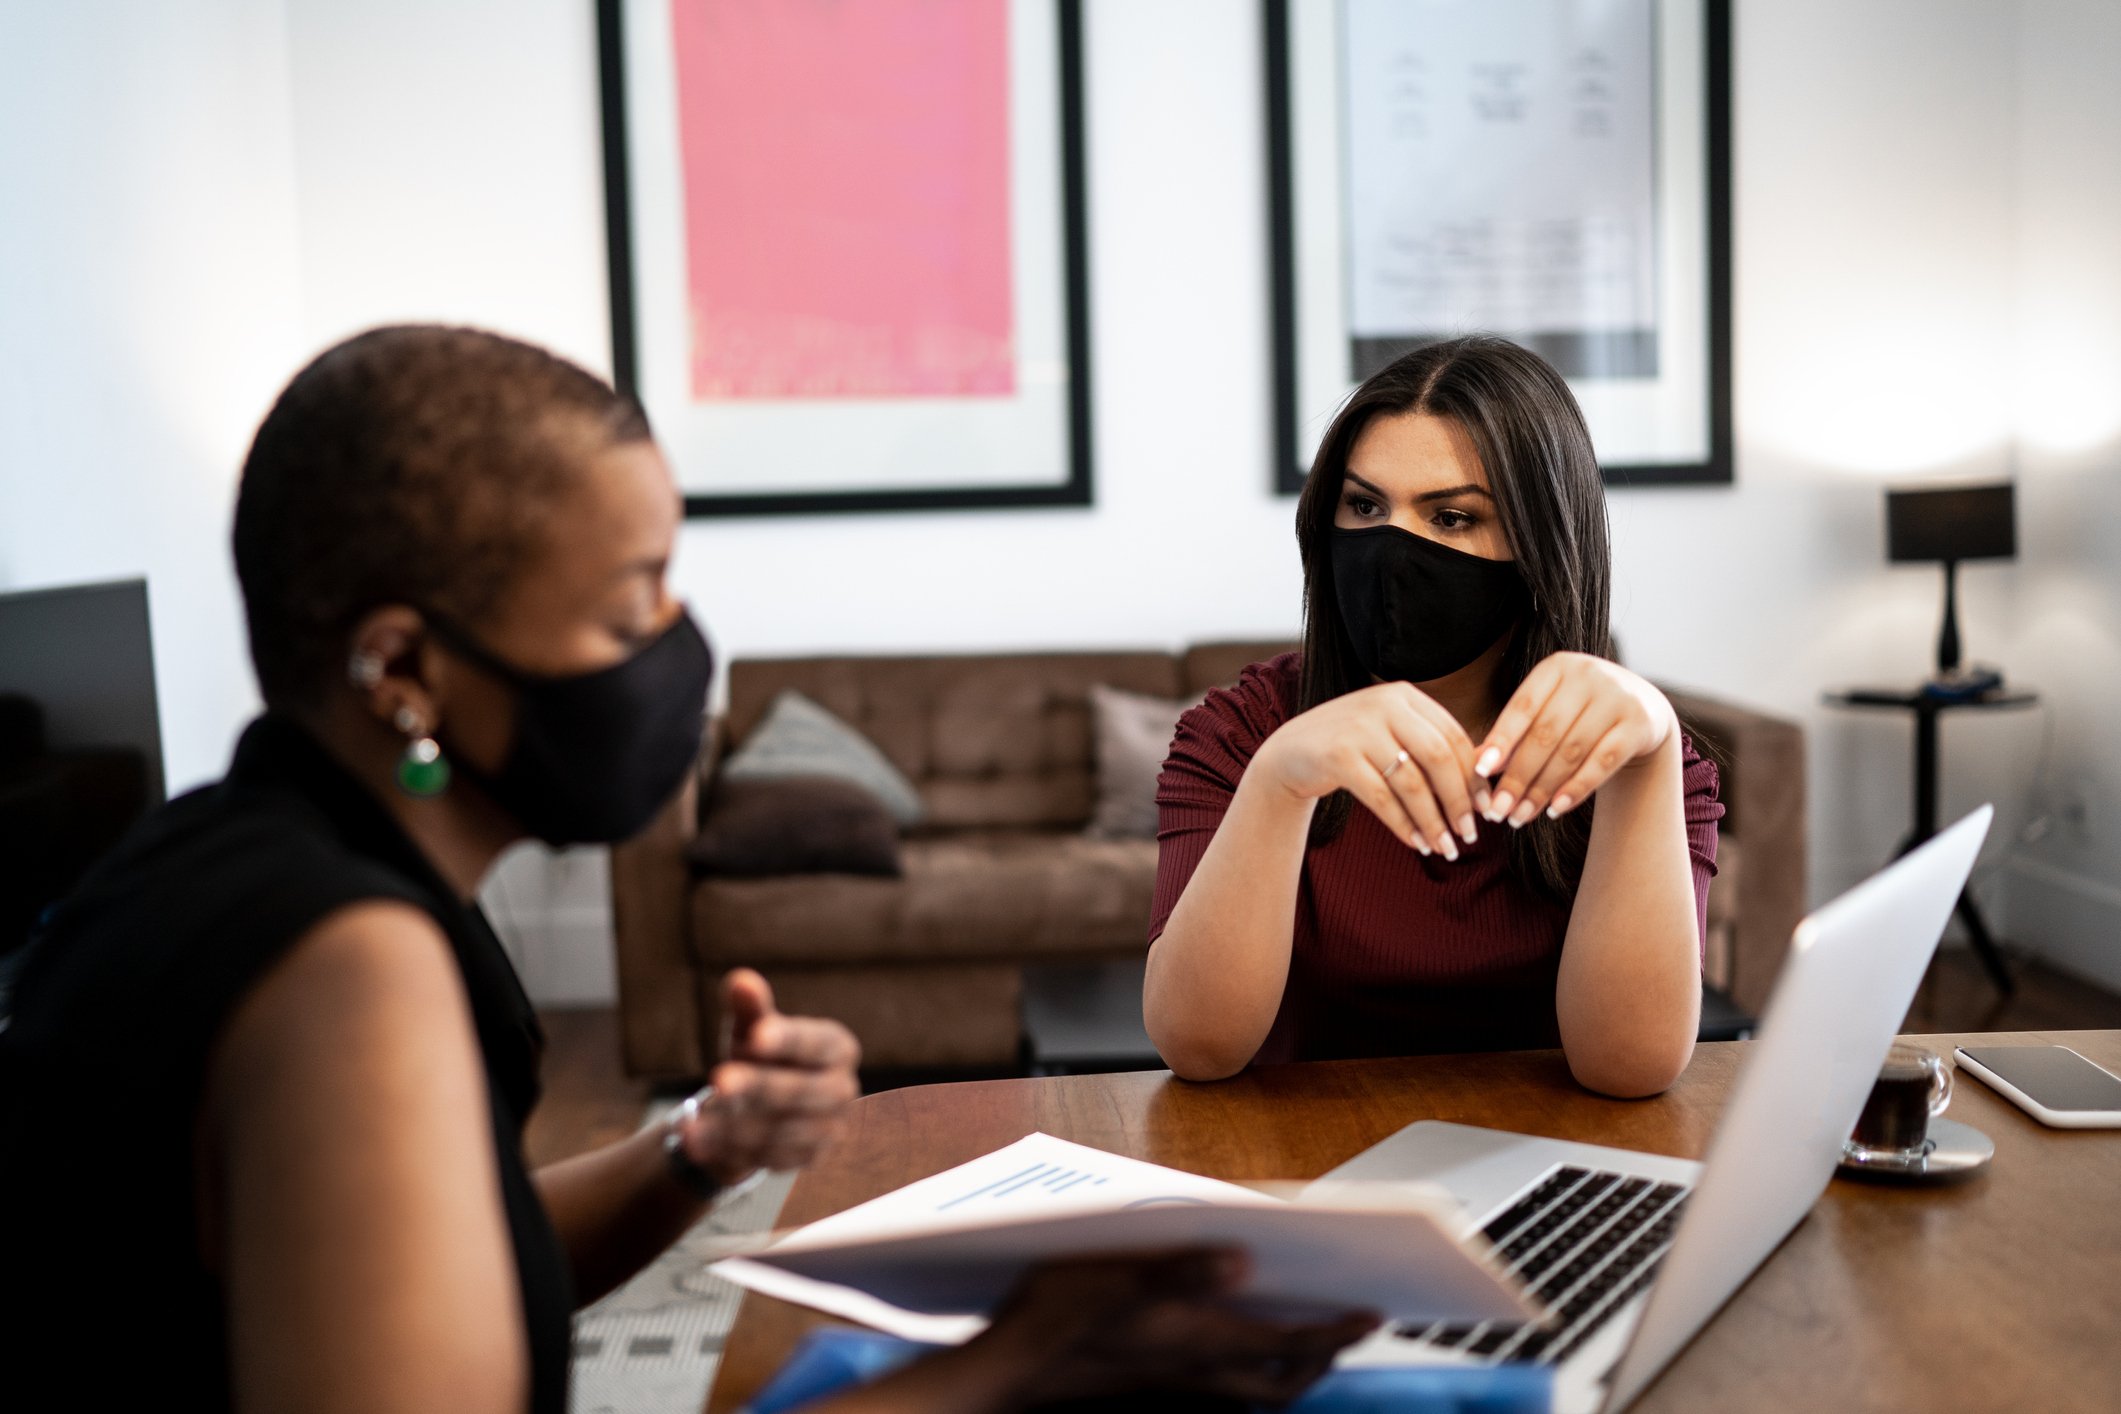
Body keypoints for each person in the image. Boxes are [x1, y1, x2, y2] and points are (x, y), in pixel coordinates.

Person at [0, 325, 1373, 1412]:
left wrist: (693, 1148)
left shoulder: (208, 855)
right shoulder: (348, 961)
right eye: (626, 603)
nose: (678, 645)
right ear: (404, 669)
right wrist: (1011, 1359)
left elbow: (443, 1252)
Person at [1143, 336, 1722, 1095]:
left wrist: (1647, 759)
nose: (1394, 549)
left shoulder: (1630, 751)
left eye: (1451, 517)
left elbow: (1629, 1068)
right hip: (1298, 1169)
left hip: (1545, 1167)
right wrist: (1279, 779)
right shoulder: (1238, 730)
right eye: (1364, 506)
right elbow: (1196, 1047)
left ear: (1543, 542)